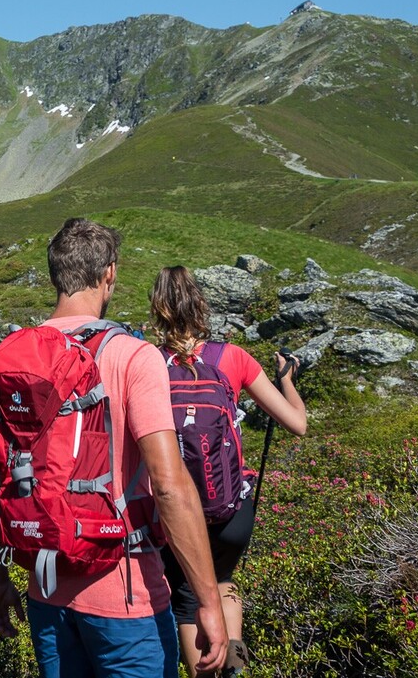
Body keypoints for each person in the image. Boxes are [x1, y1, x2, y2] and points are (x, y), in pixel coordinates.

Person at [0, 219, 228, 678]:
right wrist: (209, 602)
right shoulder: (134, 356)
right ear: (109, 273)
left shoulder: (14, 358)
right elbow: (170, 487)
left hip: (44, 591)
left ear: (56, 274)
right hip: (126, 597)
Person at [148, 266, 308, 678]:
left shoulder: (147, 362)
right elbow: (297, 423)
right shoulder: (231, 357)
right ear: (200, 304)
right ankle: (234, 661)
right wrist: (287, 380)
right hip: (232, 512)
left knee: (188, 597)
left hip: (173, 515)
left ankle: (206, 672)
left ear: (158, 309)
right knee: (221, 580)